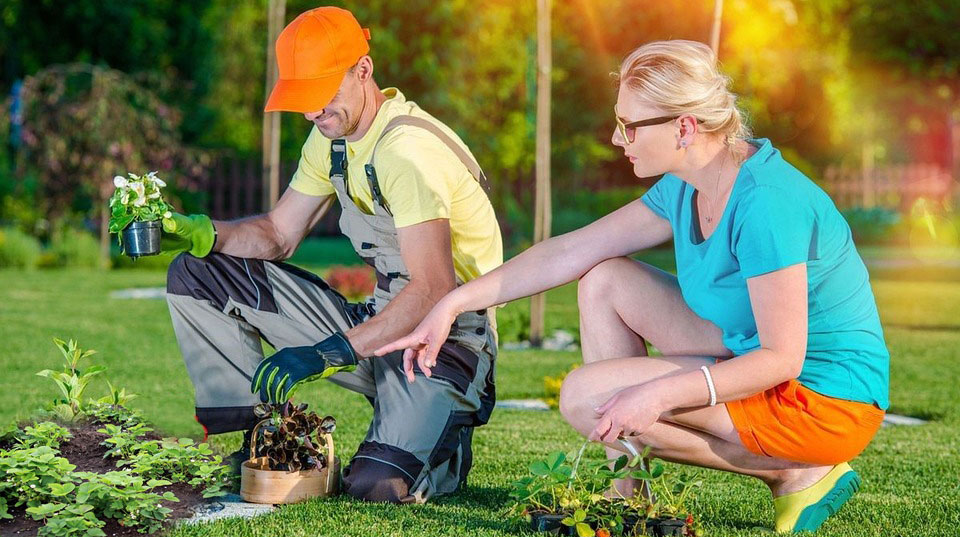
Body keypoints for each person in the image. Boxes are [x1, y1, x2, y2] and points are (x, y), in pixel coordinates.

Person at [376, 40, 889, 532]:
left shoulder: (766, 205)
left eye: (630, 125)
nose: (618, 139)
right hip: (751, 354)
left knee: (584, 397)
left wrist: (657, 394)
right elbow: (572, 251)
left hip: (824, 400)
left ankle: (793, 471)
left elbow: (782, 358)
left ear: (684, 127)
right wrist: (451, 304)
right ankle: (626, 497)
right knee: (604, 279)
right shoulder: (686, 186)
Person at [160, 6, 502, 504]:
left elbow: (433, 288)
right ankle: (259, 438)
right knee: (200, 273)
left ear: (362, 71)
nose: (312, 113)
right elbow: (278, 234)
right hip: (381, 315)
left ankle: (443, 446)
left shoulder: (406, 152)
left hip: (448, 339)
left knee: (376, 486)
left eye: (321, 95)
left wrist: (327, 354)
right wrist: (201, 233)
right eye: (303, 99)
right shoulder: (332, 138)